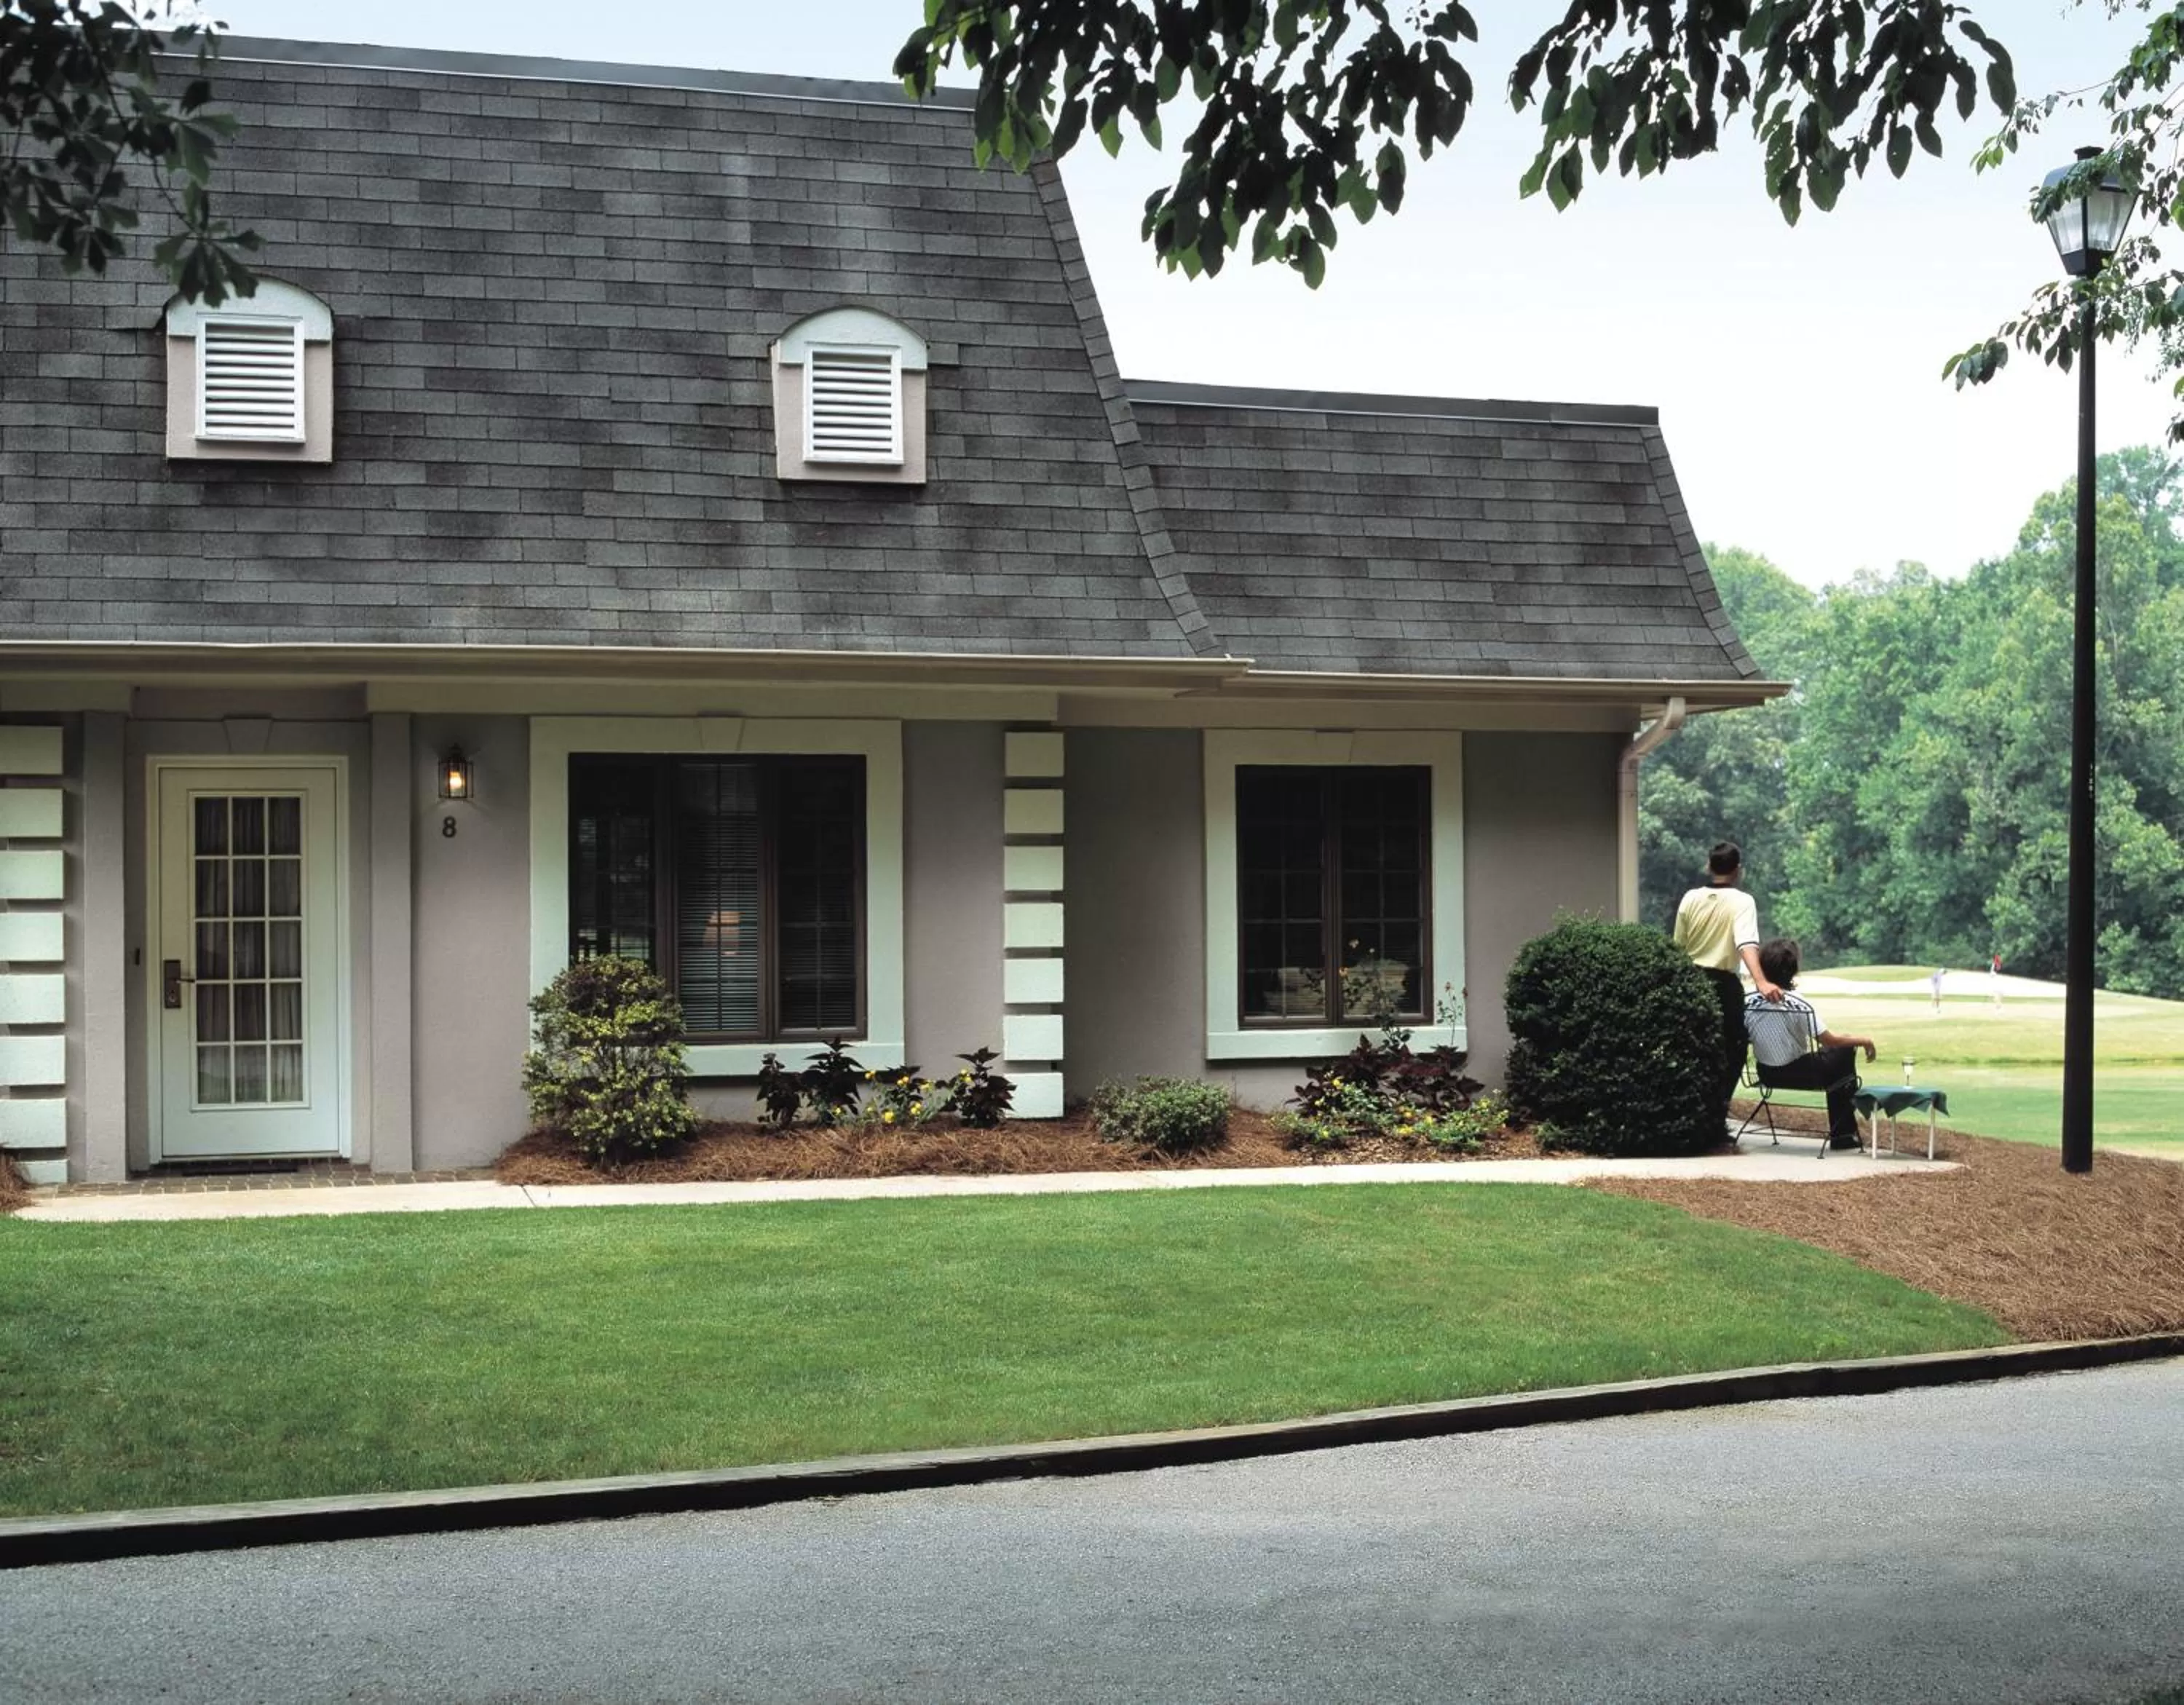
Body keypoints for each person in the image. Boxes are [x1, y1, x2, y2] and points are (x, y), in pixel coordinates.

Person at [1671, 842, 1782, 1118]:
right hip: (1722, 985)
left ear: (1709, 866)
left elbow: (1678, 947)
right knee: (1734, 1046)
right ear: (1738, 870)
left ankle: (1693, 1111)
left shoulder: (1690, 898)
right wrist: (1762, 982)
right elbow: (1746, 943)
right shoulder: (1743, 902)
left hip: (1691, 981)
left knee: (1694, 1047)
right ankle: (1717, 1112)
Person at [1744, 938, 1878, 1150]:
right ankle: (1843, 1133)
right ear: (1793, 970)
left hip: (1766, 1073)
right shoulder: (1797, 1002)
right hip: (1802, 1073)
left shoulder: (1747, 1001)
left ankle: (1844, 1132)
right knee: (1843, 1055)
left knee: (1836, 1058)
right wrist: (1864, 1040)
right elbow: (1829, 1040)